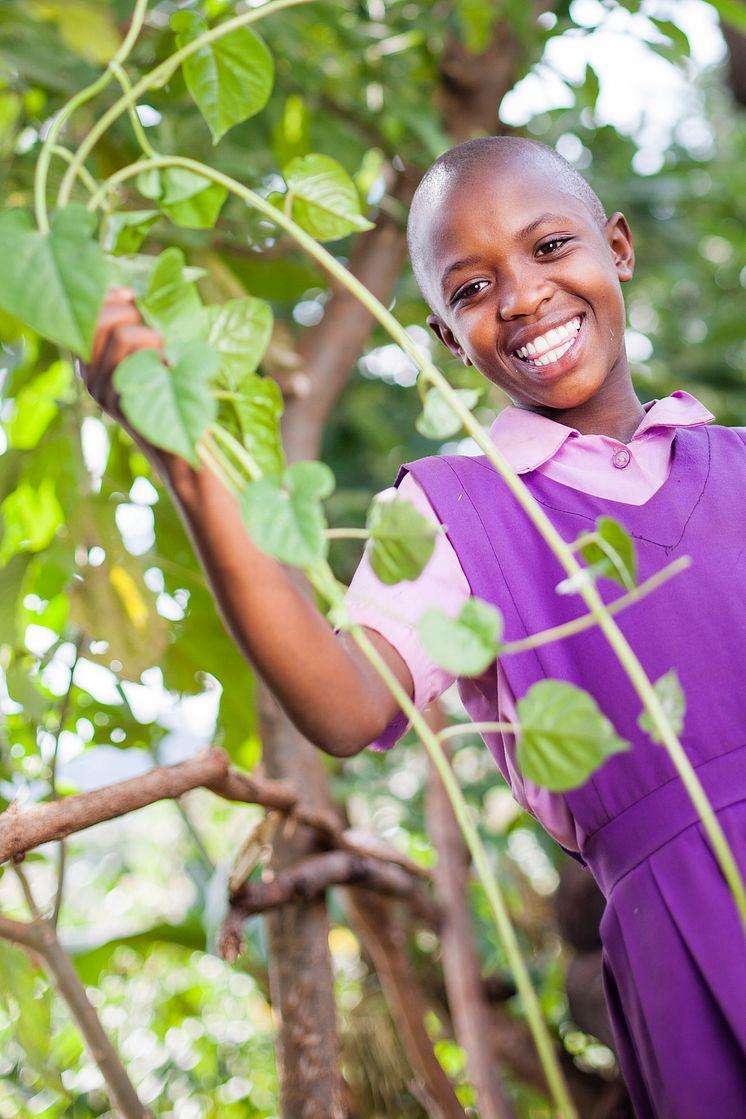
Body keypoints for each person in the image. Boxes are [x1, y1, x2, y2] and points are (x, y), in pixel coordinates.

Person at [84, 136, 746, 1118]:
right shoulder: (450, 512)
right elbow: (347, 707)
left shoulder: (732, 458)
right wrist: (186, 461)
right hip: (682, 939)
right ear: (442, 336)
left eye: (549, 246)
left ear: (616, 247)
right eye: (471, 288)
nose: (520, 298)